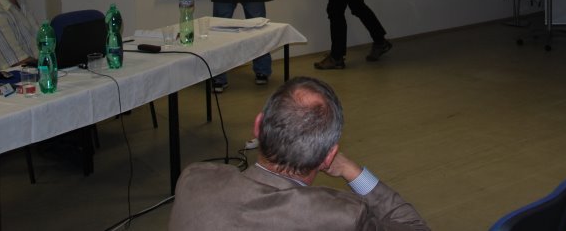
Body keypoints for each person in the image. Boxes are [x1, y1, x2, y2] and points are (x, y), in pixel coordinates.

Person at [168, 76, 429, 230]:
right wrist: (351, 170)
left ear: (258, 126)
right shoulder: (341, 217)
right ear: (329, 156)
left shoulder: (193, 179)